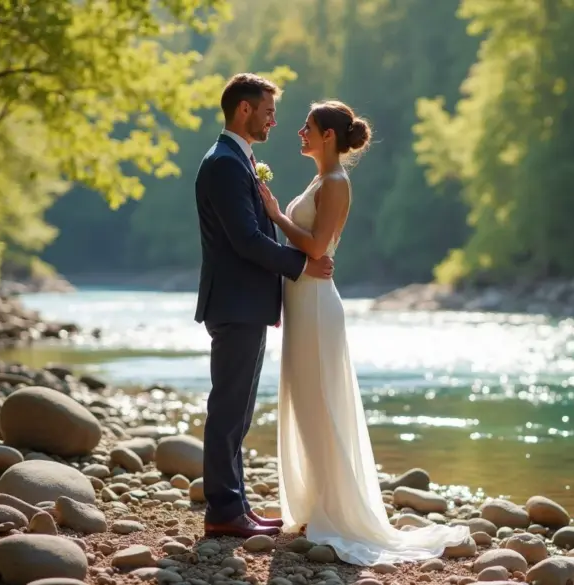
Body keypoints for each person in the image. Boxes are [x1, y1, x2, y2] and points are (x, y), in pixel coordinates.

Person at [257, 100, 471, 565]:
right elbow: (309, 250)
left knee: (320, 402)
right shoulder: (319, 179)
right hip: (301, 299)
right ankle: (315, 507)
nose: (300, 132)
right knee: (304, 399)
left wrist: (274, 215)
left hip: (315, 304)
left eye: (308, 127)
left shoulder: (335, 182)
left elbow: (316, 247)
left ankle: (337, 513)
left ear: (328, 136)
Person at [193, 73, 335, 538]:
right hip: (235, 303)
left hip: (246, 303)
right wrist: (302, 264)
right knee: (229, 408)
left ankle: (237, 507)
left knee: (240, 409)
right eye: (269, 110)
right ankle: (223, 511)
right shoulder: (224, 164)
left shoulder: (237, 159)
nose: (275, 119)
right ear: (244, 110)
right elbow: (247, 239)